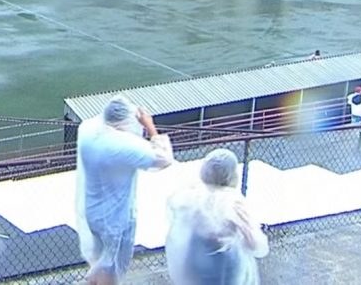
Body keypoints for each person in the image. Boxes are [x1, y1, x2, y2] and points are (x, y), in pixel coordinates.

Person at [75, 96, 174, 285]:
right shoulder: (122, 146)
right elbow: (164, 159)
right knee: (110, 270)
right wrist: (150, 126)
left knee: (101, 262)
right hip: (114, 219)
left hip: (94, 212)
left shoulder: (89, 135)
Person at [165, 148, 269, 285]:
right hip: (226, 268)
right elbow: (256, 245)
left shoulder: (189, 196)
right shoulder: (234, 203)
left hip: (194, 263)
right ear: (231, 175)